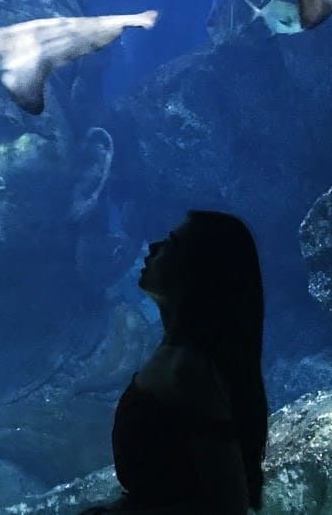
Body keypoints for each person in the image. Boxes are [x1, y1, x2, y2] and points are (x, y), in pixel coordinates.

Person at [83, 210, 269, 514]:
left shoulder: (190, 372)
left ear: (196, 270)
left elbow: (227, 505)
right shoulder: (183, 356)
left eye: (171, 243)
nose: (154, 247)